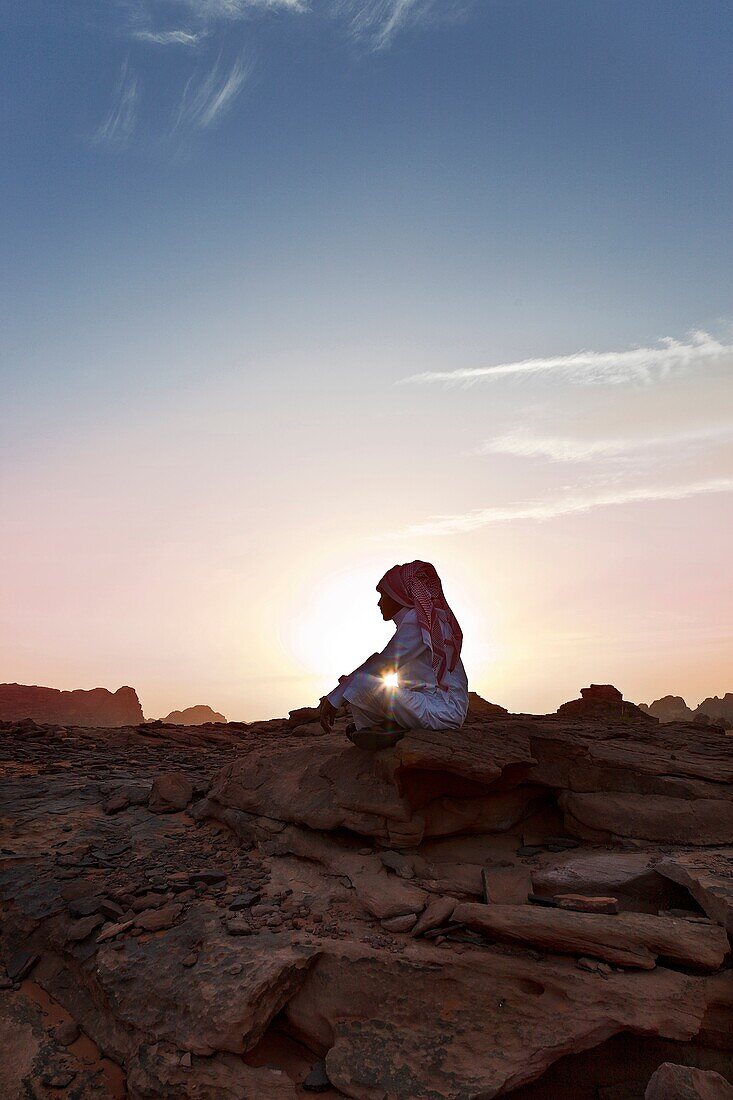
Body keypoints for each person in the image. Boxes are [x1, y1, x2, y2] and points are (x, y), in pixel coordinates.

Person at [318, 561, 468, 747]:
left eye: (383, 595)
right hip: (431, 706)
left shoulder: (417, 622)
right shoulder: (423, 621)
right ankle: (387, 727)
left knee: (360, 683)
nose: (379, 602)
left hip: (441, 711)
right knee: (357, 684)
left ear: (399, 596)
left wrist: (334, 698)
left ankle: (379, 728)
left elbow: (382, 664)